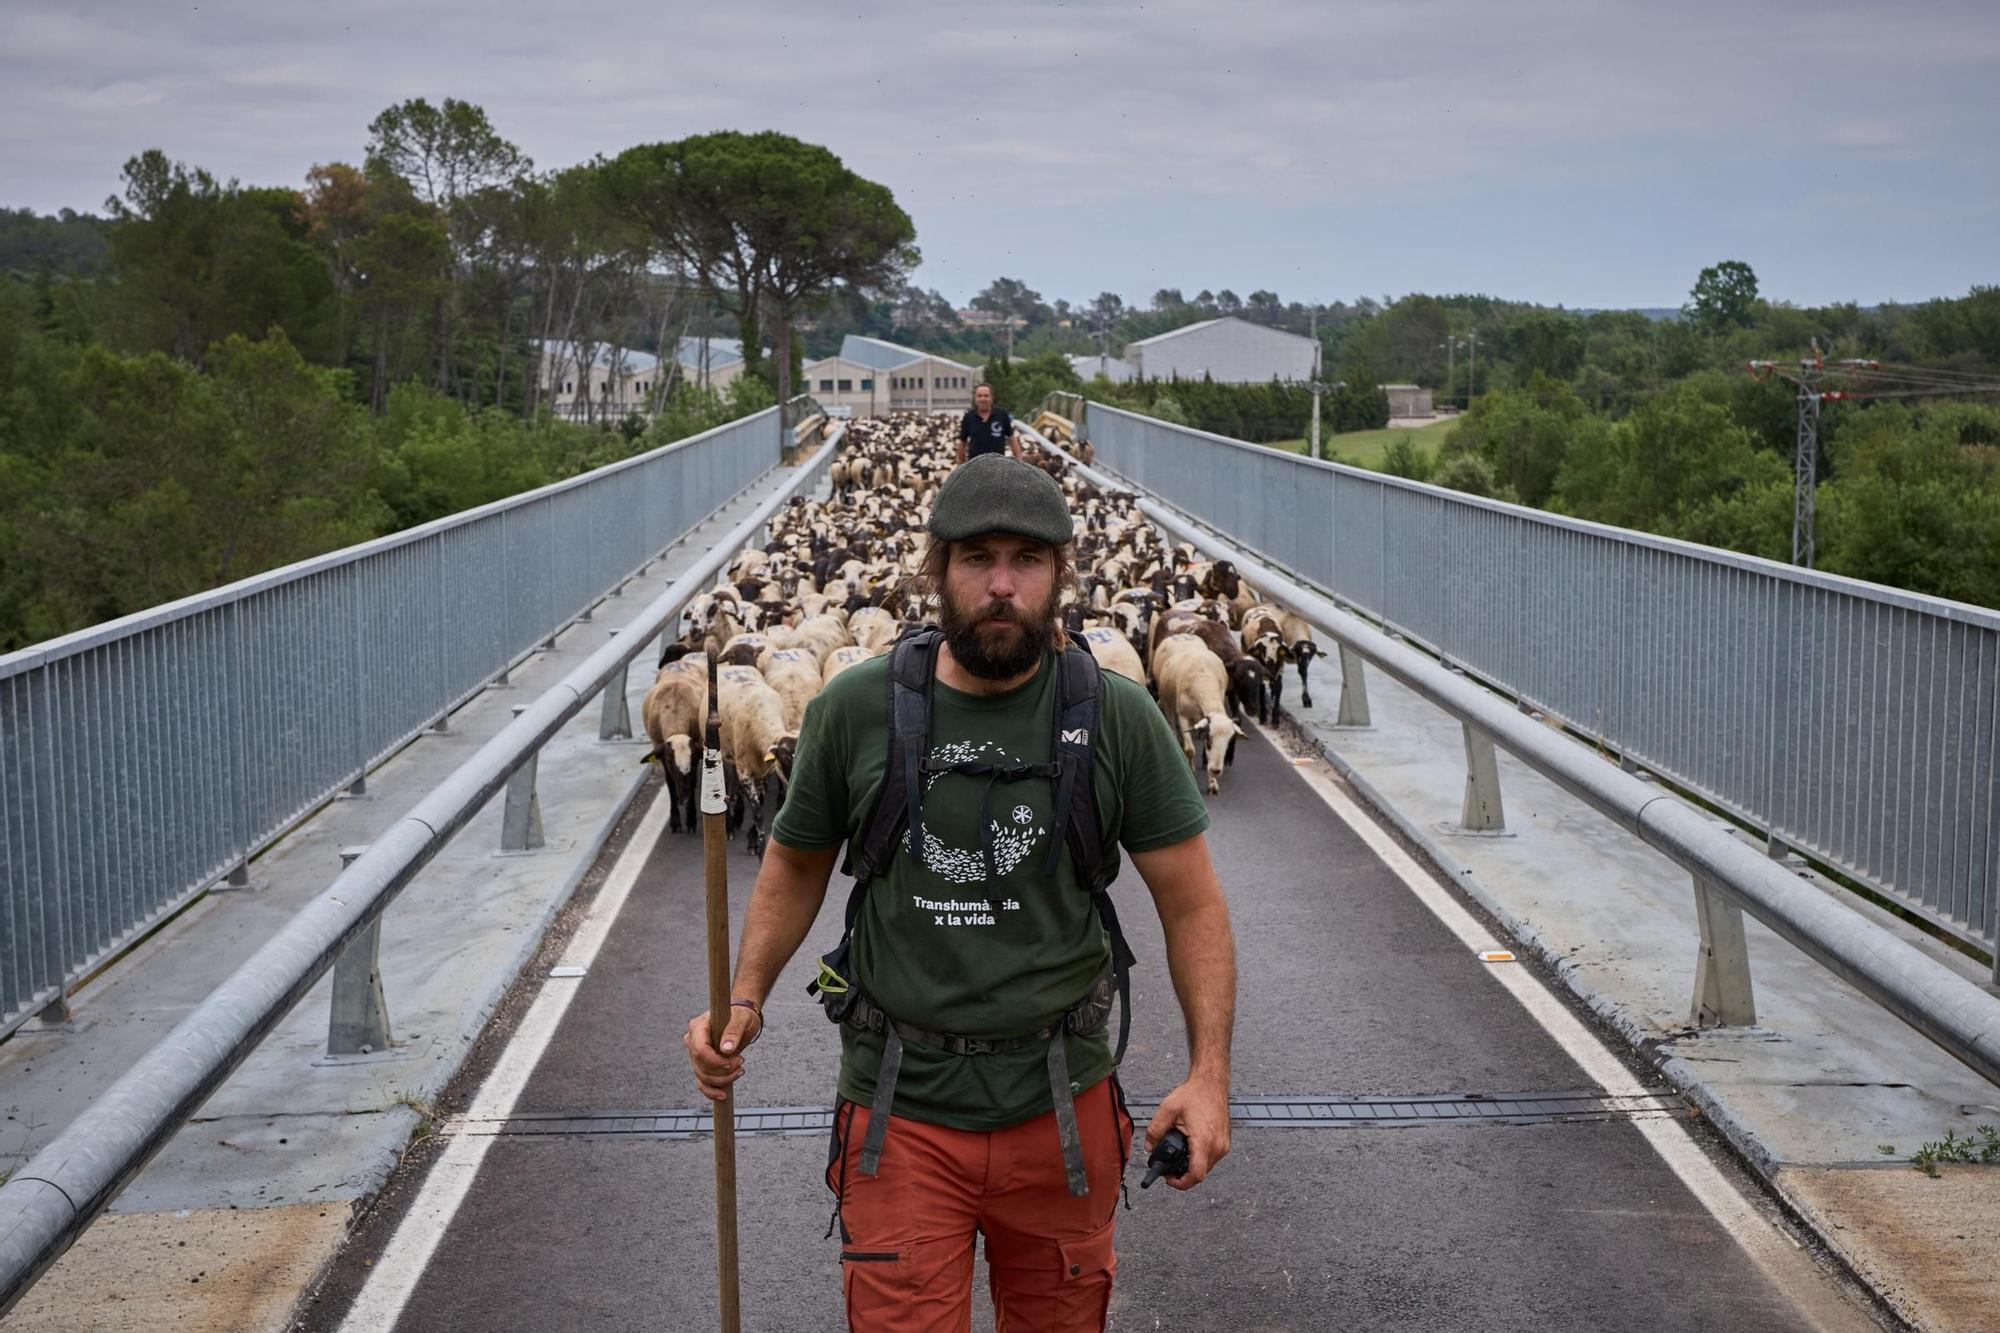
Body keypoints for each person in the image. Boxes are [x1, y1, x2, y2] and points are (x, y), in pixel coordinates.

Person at [684, 454, 1236, 1332]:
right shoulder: (854, 709)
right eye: (978, 558)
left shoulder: (1119, 716)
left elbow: (1193, 903)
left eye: (1028, 559)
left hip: (1060, 1105)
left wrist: (1209, 1075)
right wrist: (744, 995)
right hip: (900, 1110)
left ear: (1061, 573)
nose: (1003, 584)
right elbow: (796, 863)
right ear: (937, 569)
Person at [957, 382, 1024, 463]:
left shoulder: (1002, 415)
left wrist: (1020, 461)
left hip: (998, 464)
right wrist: (962, 465)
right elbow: (962, 443)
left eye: (986, 396)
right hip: (975, 465)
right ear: (975, 398)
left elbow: (1012, 439)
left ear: (992, 398)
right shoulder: (968, 417)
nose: (983, 399)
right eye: (979, 396)